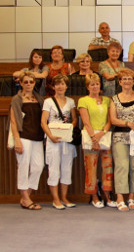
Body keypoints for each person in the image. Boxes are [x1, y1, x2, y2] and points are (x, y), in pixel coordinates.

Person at [78, 74, 116, 208]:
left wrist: (102, 133)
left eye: (97, 84)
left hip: (104, 136)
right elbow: (86, 122)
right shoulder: (83, 100)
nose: (95, 86)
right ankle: (94, 196)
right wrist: (94, 138)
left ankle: (107, 195)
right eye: (92, 84)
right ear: (88, 86)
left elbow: (110, 120)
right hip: (90, 138)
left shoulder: (107, 100)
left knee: (108, 167)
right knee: (91, 169)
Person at [40, 74, 77, 209]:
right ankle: (55, 199)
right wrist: (50, 136)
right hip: (53, 139)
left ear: (67, 86)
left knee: (67, 168)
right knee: (54, 168)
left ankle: (64, 198)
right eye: (58, 84)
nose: (60, 86)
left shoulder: (71, 101)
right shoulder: (48, 102)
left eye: (63, 84)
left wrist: (68, 128)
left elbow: (74, 119)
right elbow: (43, 121)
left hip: (66, 139)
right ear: (53, 87)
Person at [109, 69, 134, 212]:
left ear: (133, 81)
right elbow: (113, 119)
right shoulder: (114, 99)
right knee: (122, 166)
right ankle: (119, 197)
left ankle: (131, 196)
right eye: (124, 79)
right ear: (120, 81)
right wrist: (129, 124)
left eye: (130, 78)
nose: (127, 81)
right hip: (119, 136)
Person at [10, 71, 45, 210]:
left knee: (38, 166)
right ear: (21, 83)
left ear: (35, 83)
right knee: (23, 167)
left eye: (31, 82)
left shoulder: (39, 98)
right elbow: (13, 122)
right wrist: (17, 140)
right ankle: (26, 198)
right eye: (26, 82)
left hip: (37, 137)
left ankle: (25, 196)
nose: (29, 84)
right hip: (23, 137)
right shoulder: (16, 99)